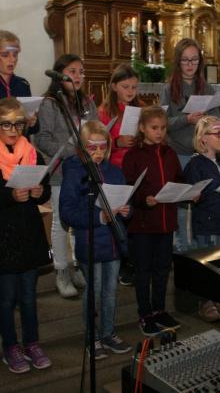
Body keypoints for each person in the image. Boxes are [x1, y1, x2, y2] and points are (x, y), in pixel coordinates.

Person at [0, 97, 53, 374]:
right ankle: (10, 346)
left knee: (29, 295)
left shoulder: (31, 153)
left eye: (19, 124)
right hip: (2, 237)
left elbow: (46, 187)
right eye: (6, 124)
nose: (13, 130)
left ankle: (32, 343)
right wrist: (9, 195)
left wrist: (41, 192)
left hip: (29, 233)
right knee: (6, 298)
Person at [59, 120, 134, 360]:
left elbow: (126, 203)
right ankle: (92, 336)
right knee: (94, 291)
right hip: (90, 242)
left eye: (103, 147)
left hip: (113, 243)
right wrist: (99, 216)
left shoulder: (114, 171)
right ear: (82, 148)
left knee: (111, 292)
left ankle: (108, 333)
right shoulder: (74, 173)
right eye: (93, 147)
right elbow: (67, 213)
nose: (99, 153)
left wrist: (126, 211)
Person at [35, 54, 99, 298]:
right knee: (61, 222)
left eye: (81, 72)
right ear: (60, 74)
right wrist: (75, 150)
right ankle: (61, 270)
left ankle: (76, 265)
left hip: (85, 170)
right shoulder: (50, 102)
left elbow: (94, 130)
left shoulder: (87, 102)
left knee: (81, 220)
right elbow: (43, 138)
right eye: (73, 71)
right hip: (62, 170)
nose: (78, 76)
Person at [122, 106, 189, 336]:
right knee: (144, 271)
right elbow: (128, 187)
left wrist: (187, 191)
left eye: (162, 128)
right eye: (154, 128)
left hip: (166, 222)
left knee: (162, 269)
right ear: (142, 128)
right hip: (142, 224)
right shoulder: (134, 155)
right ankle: (145, 314)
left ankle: (159, 310)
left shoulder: (169, 153)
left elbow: (179, 179)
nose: (159, 132)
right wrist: (143, 199)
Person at [159, 38, 220, 252]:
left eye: (194, 59)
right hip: (179, 153)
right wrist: (187, 119)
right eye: (185, 60)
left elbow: (217, 119)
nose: (190, 64)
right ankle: (182, 246)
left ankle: (202, 246)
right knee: (183, 205)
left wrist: (207, 122)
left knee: (203, 201)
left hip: (202, 154)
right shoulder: (168, 89)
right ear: (178, 62)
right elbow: (162, 123)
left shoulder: (207, 88)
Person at [183, 116, 220, 322]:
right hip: (205, 223)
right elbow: (197, 195)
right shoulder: (195, 165)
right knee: (206, 265)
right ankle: (205, 302)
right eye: (218, 134)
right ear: (203, 138)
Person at [97, 63, 142, 286]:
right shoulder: (105, 111)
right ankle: (124, 262)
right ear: (114, 87)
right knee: (119, 217)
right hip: (115, 170)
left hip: (136, 167)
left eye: (134, 87)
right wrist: (117, 142)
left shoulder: (140, 107)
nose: (131, 91)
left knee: (135, 215)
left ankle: (135, 258)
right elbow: (97, 143)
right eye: (126, 86)